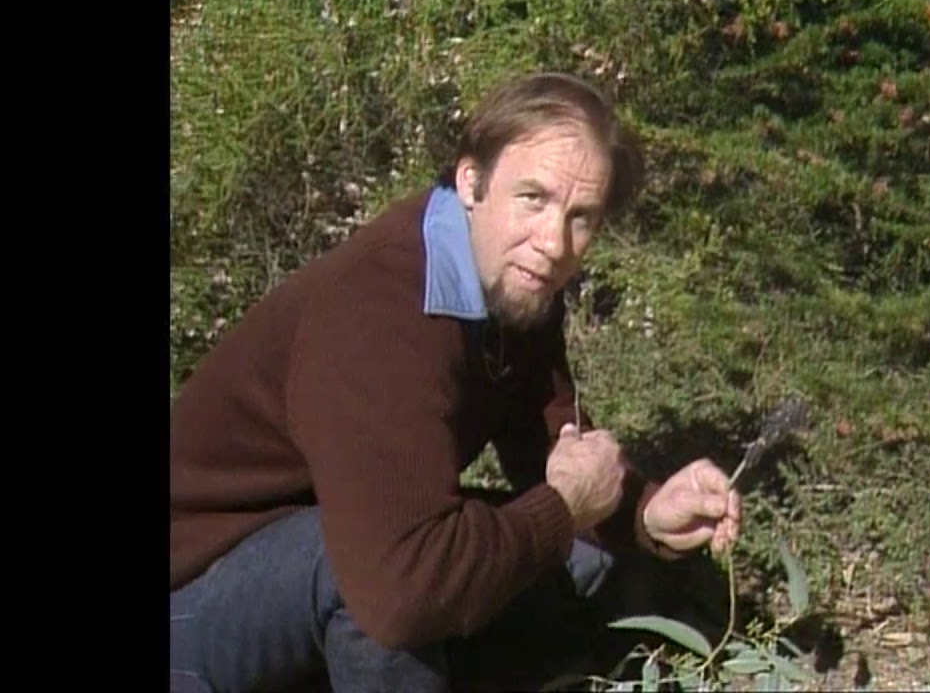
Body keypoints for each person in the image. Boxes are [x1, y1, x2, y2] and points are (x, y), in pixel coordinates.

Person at [169, 71, 742, 692]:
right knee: (382, 587)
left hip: (298, 563)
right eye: (533, 198)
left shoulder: (509, 284)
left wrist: (647, 510)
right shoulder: (381, 310)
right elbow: (398, 592)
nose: (553, 243)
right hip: (193, 599)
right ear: (472, 181)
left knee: (585, 558)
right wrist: (562, 510)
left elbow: (549, 448)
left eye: (582, 217)